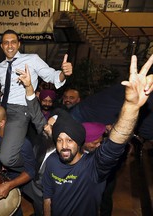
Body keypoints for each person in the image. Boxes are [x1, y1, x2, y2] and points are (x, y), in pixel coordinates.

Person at [42, 54, 153, 215]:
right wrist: (55, 117)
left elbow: (113, 147)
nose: (64, 145)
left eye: (69, 140)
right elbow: (47, 195)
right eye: (59, 140)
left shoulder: (93, 166)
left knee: (106, 188)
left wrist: (131, 106)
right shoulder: (52, 161)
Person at [0, 29, 72, 169]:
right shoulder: (0, 67)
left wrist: (64, 74)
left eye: (13, 42)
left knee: (6, 159)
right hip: (0, 108)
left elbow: (52, 77)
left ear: (19, 44)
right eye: (6, 42)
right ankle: (5, 145)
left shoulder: (32, 59)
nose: (9, 45)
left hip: (20, 110)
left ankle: (29, 165)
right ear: (2, 46)